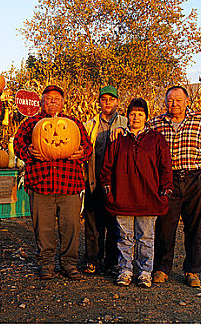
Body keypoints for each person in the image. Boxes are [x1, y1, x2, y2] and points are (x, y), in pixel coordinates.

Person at [14, 85, 93, 280]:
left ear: (62, 102)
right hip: (41, 183)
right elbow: (17, 145)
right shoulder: (31, 123)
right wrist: (28, 153)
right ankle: (46, 264)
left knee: (71, 227)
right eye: (48, 98)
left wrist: (82, 152)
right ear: (41, 102)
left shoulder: (73, 123)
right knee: (43, 228)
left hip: (70, 185)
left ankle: (69, 264)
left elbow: (88, 147)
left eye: (56, 98)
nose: (52, 101)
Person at [149, 86, 201, 287]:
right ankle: (162, 268)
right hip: (168, 180)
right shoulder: (155, 124)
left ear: (187, 101)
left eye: (178, 100)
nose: (174, 104)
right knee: (164, 226)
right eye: (170, 100)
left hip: (195, 179)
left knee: (194, 227)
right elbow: (142, 141)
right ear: (165, 102)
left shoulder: (200, 121)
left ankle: (192, 270)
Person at [100, 98, 173, 288]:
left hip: (148, 197)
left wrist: (165, 192)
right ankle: (125, 270)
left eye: (140, 114)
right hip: (123, 197)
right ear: (128, 116)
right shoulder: (118, 140)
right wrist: (109, 191)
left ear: (146, 117)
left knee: (146, 238)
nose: (136, 117)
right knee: (125, 237)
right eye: (133, 114)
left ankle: (144, 271)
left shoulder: (156, 139)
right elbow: (107, 168)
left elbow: (165, 167)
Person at [82, 85, 127, 275]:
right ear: (99, 102)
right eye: (103, 99)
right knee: (93, 224)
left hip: (117, 183)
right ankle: (93, 260)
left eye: (111, 99)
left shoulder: (126, 123)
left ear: (117, 101)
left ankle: (111, 262)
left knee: (114, 224)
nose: (107, 103)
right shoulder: (90, 125)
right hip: (94, 180)